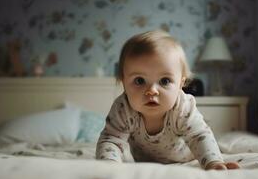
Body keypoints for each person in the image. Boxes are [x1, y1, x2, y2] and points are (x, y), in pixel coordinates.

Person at [96, 30, 240, 170]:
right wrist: (109, 167)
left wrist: (212, 162)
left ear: (180, 84)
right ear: (124, 82)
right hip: (144, 163)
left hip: (184, 158)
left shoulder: (182, 106)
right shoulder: (123, 108)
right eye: (139, 80)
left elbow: (199, 135)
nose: (152, 90)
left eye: (164, 81)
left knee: (207, 144)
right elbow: (111, 140)